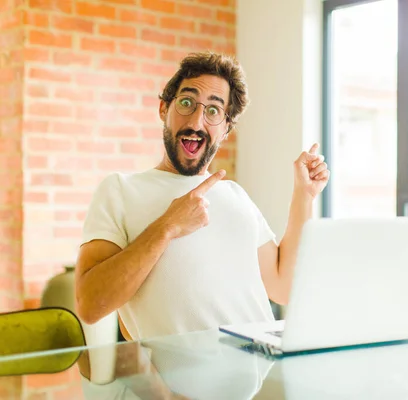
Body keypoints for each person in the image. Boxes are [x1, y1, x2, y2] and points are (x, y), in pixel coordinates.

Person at [74, 52, 330, 341]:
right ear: (163, 109)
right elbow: (91, 305)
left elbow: (283, 287)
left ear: (226, 129)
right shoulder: (120, 190)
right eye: (186, 103)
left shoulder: (236, 195)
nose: (197, 121)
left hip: (262, 374)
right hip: (184, 381)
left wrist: (304, 196)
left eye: (213, 111)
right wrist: (167, 226)